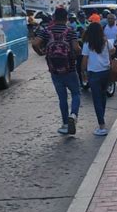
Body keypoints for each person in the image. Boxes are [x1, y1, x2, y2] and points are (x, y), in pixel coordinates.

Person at [32, 7, 81, 135]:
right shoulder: (70, 31)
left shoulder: (46, 31)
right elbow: (76, 48)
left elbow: (35, 43)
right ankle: (73, 115)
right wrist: (78, 54)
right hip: (70, 69)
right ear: (66, 18)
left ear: (54, 18)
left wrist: (41, 53)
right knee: (76, 93)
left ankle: (65, 124)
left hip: (54, 71)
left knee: (62, 98)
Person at [81, 22, 115, 136]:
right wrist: (105, 55)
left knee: (96, 100)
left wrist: (83, 72)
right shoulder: (105, 42)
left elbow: (84, 60)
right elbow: (113, 50)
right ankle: (102, 121)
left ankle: (102, 126)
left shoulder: (87, 44)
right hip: (105, 72)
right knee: (102, 96)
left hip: (94, 74)